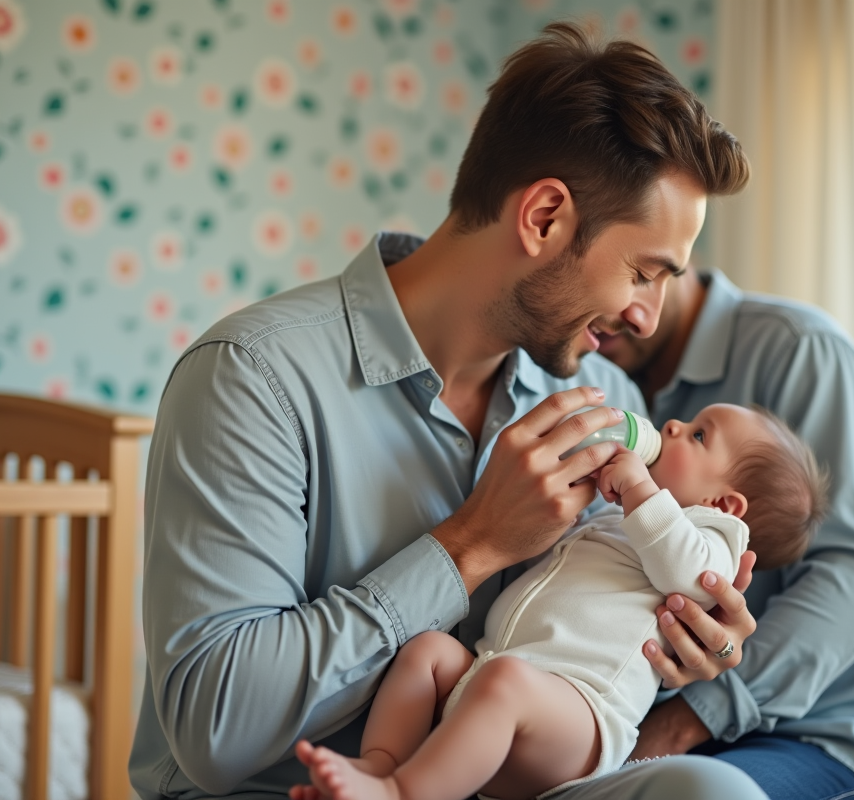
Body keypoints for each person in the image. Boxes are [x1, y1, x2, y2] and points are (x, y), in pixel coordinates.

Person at [130, 23, 769, 799]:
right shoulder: (252, 378)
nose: (648, 316)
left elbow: (588, 670)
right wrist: (470, 546)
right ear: (543, 217)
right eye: (643, 272)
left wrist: (682, 648)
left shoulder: (606, 403)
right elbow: (214, 732)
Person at [290, 402, 829, 800]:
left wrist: (640, 490)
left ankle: (403, 794)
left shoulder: (713, 537)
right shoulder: (626, 518)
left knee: (505, 682)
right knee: (428, 651)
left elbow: (690, 575)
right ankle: (382, 764)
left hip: (583, 715)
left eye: (699, 435)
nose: (672, 426)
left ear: (724, 504)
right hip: (501, 680)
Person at [594, 268, 854, 799]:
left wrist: (682, 723)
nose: (612, 310)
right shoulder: (601, 369)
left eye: (637, 272)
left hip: (827, 735)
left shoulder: (800, 352)